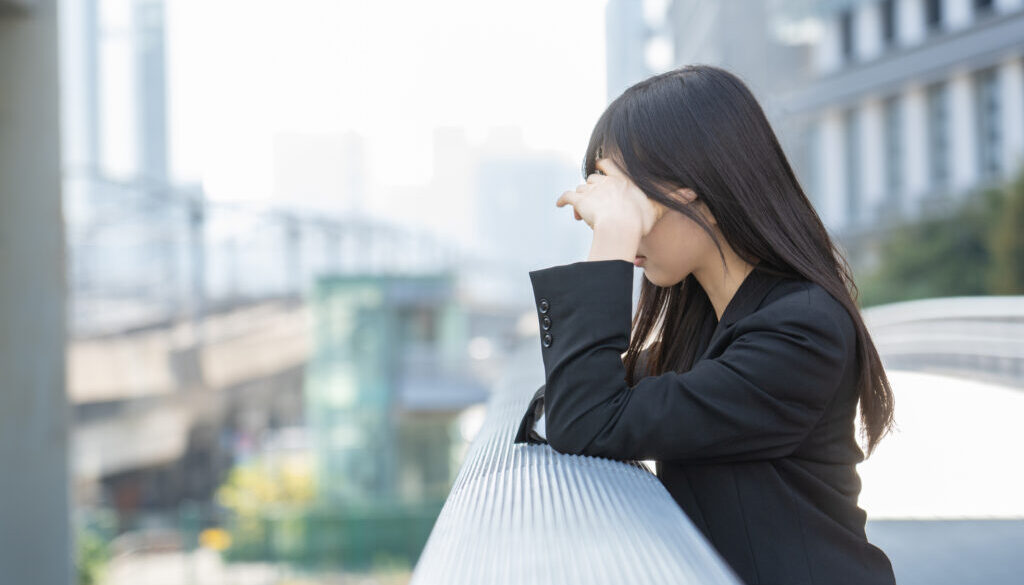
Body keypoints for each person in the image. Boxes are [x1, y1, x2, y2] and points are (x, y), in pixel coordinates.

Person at [513, 64, 898, 585]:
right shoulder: (703, 325)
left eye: (626, 196)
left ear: (695, 190)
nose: (616, 217)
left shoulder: (801, 330)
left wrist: (612, 243)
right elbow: (570, 402)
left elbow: (586, 419)